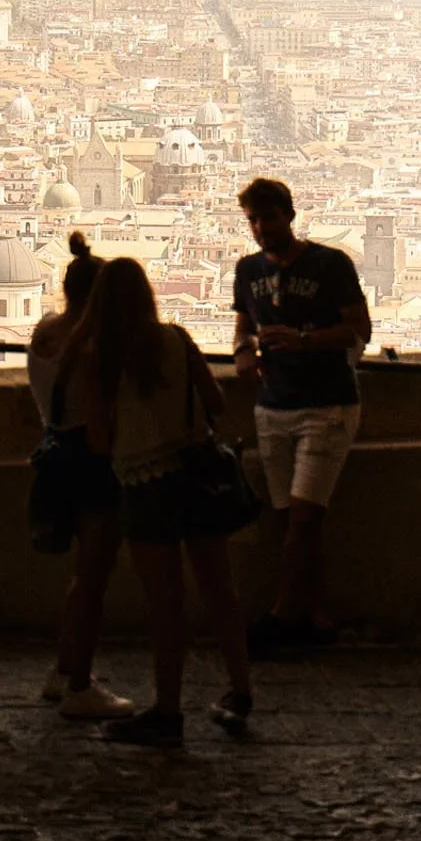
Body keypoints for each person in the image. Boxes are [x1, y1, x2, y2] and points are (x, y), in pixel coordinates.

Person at [67, 256, 253, 747]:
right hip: (196, 473)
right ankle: (240, 689)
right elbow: (216, 402)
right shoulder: (177, 339)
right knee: (220, 590)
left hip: (144, 483)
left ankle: (168, 710)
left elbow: (101, 441)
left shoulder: (99, 360)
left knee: (165, 602)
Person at [233, 176, 372, 659]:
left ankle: (278, 616)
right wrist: (243, 353)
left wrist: (304, 340)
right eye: (252, 219)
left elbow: (360, 330)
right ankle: (314, 618)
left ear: (289, 215)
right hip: (272, 407)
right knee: (293, 522)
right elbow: (243, 328)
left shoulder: (330, 265)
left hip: (327, 405)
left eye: (268, 217)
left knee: (303, 518)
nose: (260, 227)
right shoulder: (247, 271)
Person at [27, 231, 133, 720]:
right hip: (91, 463)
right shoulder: (91, 351)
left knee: (80, 576)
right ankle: (80, 682)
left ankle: (64, 668)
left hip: (54, 454)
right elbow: (97, 423)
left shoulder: (45, 333)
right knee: (93, 577)